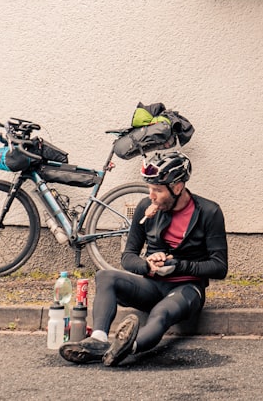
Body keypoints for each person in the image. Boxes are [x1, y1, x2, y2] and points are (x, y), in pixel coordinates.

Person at [59, 150, 228, 366]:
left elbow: (219, 267)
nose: (151, 196)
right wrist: (146, 266)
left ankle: (129, 347)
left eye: (157, 190)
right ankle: (99, 340)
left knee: (161, 312)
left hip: (186, 289)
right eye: (150, 188)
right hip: (152, 285)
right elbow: (128, 256)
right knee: (105, 277)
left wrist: (179, 266)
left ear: (177, 187)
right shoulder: (144, 208)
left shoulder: (208, 211)